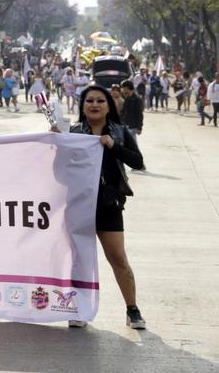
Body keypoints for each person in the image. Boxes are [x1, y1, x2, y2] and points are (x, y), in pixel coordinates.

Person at [55, 84, 146, 330]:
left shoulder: (120, 132)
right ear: (82, 106)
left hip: (108, 204)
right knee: (79, 259)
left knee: (117, 257)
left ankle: (132, 310)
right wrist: (57, 141)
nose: (94, 105)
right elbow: (59, 172)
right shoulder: (72, 133)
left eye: (100, 101)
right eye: (89, 101)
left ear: (109, 106)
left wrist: (113, 146)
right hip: (78, 205)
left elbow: (138, 162)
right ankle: (79, 309)